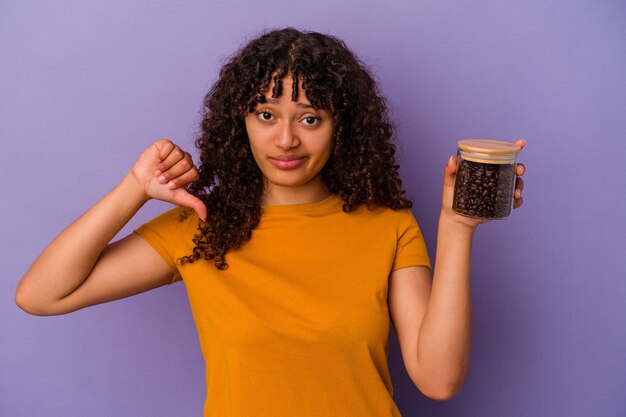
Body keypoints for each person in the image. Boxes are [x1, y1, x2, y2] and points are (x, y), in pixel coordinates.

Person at [15, 27, 526, 416]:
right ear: (240, 122)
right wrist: (133, 190)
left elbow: (438, 380)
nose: (285, 140)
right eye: (265, 114)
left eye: (309, 118)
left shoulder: (387, 224)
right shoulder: (199, 227)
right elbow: (40, 295)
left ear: (340, 127)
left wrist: (457, 228)